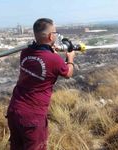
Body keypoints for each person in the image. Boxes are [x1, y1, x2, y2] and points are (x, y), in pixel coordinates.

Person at [6, 18, 75, 150]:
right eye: (55, 32)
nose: (55, 35)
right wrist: (70, 58)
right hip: (32, 116)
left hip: (14, 110)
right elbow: (68, 74)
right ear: (50, 36)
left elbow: (41, 60)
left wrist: (50, 51)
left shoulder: (25, 53)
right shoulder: (54, 59)